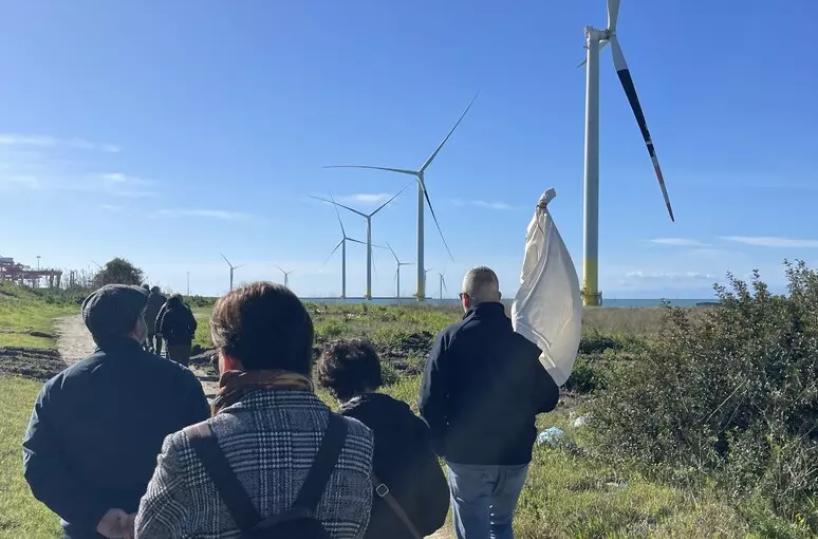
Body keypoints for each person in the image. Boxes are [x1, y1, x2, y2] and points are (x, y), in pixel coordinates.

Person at [136, 282, 374, 538]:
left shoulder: (186, 449)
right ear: (306, 355)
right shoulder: (357, 439)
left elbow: (149, 534)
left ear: (227, 361)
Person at [22, 284, 210, 539]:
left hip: (86, 530)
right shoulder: (182, 381)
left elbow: (39, 465)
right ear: (138, 327)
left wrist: (97, 516)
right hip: (167, 527)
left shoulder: (58, 388)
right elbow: (204, 459)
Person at [419, 266, 560, 539]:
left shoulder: (450, 338)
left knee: (473, 533)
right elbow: (549, 397)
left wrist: (440, 444)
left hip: (467, 455)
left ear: (465, 299)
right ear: (499, 298)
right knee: (501, 527)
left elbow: (429, 400)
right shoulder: (521, 342)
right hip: (514, 456)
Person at [317, 339, 449, 539]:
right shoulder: (409, 420)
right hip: (411, 528)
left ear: (331, 384)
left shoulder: (334, 432)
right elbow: (435, 490)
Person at [155, 294, 197, 366]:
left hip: (173, 342)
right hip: (186, 341)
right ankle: (184, 377)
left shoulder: (168, 313)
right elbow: (194, 324)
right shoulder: (186, 310)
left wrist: (167, 337)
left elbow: (163, 328)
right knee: (185, 363)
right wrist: (190, 332)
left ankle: (174, 376)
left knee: (174, 364)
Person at [144, 286, 166, 354]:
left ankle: (151, 348)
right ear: (158, 291)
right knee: (159, 338)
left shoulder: (146, 298)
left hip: (149, 322)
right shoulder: (163, 298)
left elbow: (144, 310)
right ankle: (158, 352)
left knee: (149, 337)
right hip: (159, 322)